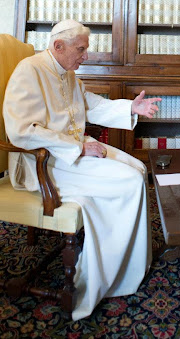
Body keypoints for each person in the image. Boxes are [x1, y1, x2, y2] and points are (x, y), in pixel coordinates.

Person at [3, 19, 162, 320]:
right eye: (81, 49)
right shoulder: (30, 70)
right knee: (128, 181)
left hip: (71, 152)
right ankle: (107, 277)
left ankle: (131, 261)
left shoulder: (67, 74)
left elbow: (92, 105)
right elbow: (22, 131)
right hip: (44, 162)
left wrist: (131, 108)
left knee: (138, 168)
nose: (85, 56)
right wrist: (77, 148)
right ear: (58, 46)